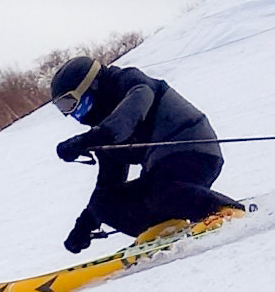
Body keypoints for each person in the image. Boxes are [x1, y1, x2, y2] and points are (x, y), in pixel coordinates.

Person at [51, 56, 244, 253]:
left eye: (70, 103)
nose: (70, 114)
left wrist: (87, 140)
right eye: (62, 109)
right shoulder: (104, 126)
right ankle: (163, 227)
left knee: (162, 189)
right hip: (161, 170)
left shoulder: (131, 83)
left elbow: (128, 117)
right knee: (106, 202)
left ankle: (222, 210)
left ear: (92, 86)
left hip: (197, 153)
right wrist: (85, 225)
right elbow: (109, 182)